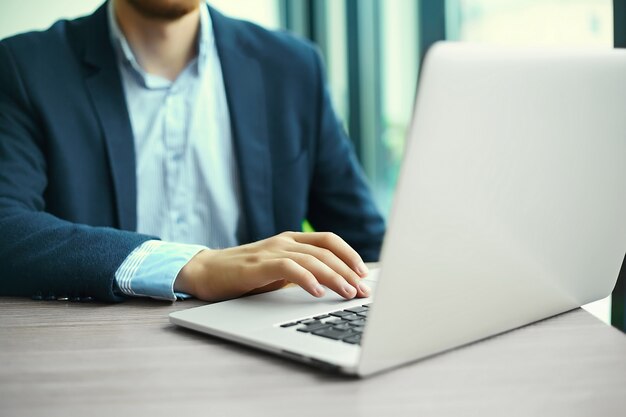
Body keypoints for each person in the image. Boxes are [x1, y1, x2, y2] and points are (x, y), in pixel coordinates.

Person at [0, 0, 385, 303]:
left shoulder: (292, 67)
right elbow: (6, 226)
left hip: (261, 351)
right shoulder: (25, 66)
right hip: (102, 353)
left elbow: (367, 242)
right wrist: (195, 267)